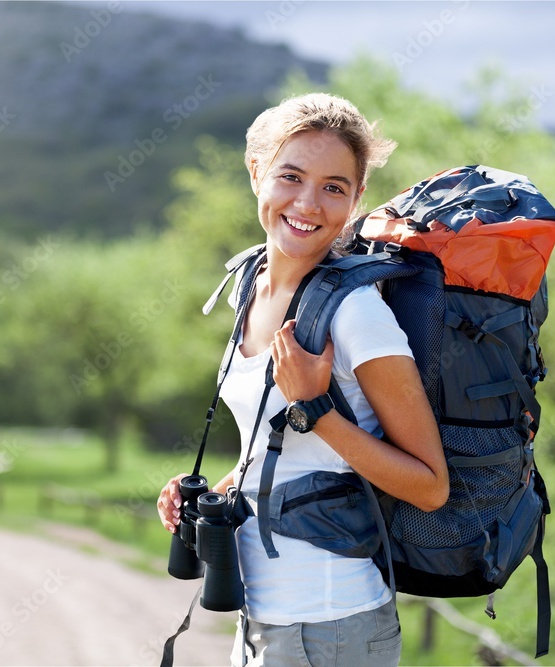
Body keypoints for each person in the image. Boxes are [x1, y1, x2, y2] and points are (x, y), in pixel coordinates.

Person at [157, 93, 449, 667]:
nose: (308, 203)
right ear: (256, 172)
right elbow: (282, 454)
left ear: (357, 197)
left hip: (330, 623)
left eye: (334, 187)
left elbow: (429, 486)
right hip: (261, 616)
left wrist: (317, 407)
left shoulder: (357, 312)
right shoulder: (250, 285)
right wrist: (214, 491)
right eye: (290, 176)